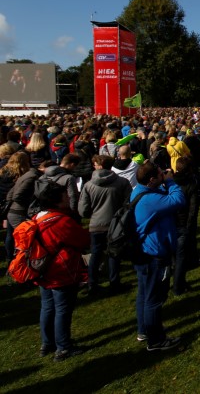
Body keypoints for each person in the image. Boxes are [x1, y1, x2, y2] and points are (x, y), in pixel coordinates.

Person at [33, 179, 90, 361]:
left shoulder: (37, 217)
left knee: (47, 307)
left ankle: (47, 342)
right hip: (61, 271)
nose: (68, 196)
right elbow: (82, 239)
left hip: (44, 270)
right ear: (56, 200)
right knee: (62, 309)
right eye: (65, 195)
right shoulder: (60, 221)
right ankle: (63, 347)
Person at [132, 161, 186, 351]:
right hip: (155, 254)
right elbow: (178, 200)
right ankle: (156, 340)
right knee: (154, 299)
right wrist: (170, 181)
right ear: (152, 179)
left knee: (145, 294)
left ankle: (144, 330)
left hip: (146, 251)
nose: (164, 174)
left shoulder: (141, 192)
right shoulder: (148, 199)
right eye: (160, 174)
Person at [78, 154, 132, 294]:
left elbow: (83, 210)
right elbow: (128, 203)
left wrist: (92, 214)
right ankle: (114, 282)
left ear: (99, 166)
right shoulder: (122, 182)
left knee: (96, 254)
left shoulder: (89, 185)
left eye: (95, 164)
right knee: (114, 254)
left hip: (96, 223)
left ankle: (92, 284)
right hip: (116, 223)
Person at [172, 156, 200, 295]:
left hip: (171, 221)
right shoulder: (192, 184)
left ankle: (176, 283)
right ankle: (178, 286)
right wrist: (190, 227)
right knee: (181, 257)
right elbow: (193, 208)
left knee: (174, 256)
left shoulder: (169, 182)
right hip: (183, 223)